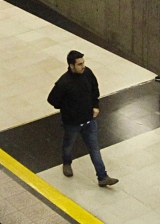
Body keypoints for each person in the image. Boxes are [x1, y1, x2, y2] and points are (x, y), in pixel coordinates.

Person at [47, 51, 118, 188]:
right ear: (71, 65)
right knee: (68, 145)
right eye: (79, 64)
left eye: (83, 63)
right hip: (72, 123)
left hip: (89, 120)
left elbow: (94, 88)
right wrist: (66, 108)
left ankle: (102, 177)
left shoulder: (87, 73)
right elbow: (52, 99)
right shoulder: (64, 82)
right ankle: (67, 163)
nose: (83, 66)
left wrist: (95, 106)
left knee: (94, 148)